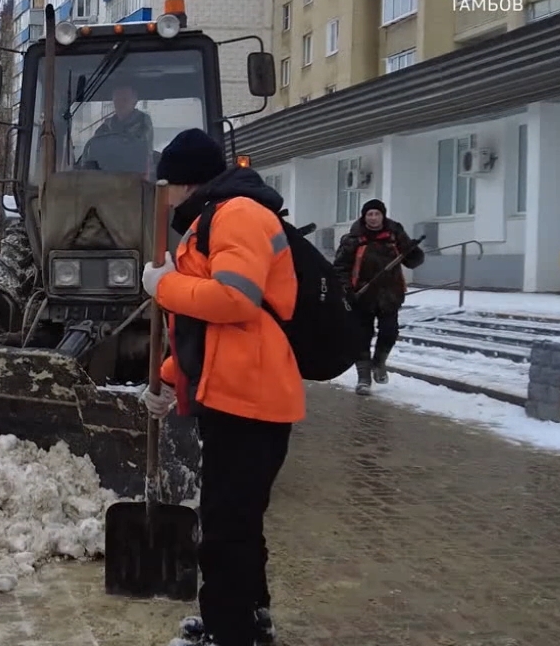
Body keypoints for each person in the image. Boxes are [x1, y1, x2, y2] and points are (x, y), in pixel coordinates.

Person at [139, 128, 304, 646]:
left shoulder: (238, 214)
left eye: (165, 185)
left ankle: (228, 633)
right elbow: (203, 330)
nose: (163, 198)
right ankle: (249, 618)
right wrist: (167, 381)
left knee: (227, 525)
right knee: (238, 519)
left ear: (183, 183)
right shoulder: (212, 221)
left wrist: (164, 285)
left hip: (251, 400)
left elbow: (235, 300)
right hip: (235, 394)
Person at [333, 199, 425, 395]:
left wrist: (414, 253)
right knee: (362, 337)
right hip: (361, 296)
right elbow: (340, 267)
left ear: (383, 216)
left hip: (389, 295)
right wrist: (346, 290)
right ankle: (363, 378)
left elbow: (412, 261)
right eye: (370, 214)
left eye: (377, 214)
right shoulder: (352, 239)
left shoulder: (395, 234)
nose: (373, 218)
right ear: (364, 217)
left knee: (389, 332)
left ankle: (379, 362)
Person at [94, 82, 154, 152]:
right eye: (117, 100)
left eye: (125, 100)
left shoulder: (143, 122)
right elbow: (95, 148)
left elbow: (139, 147)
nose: (120, 104)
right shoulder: (105, 127)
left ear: (134, 102)